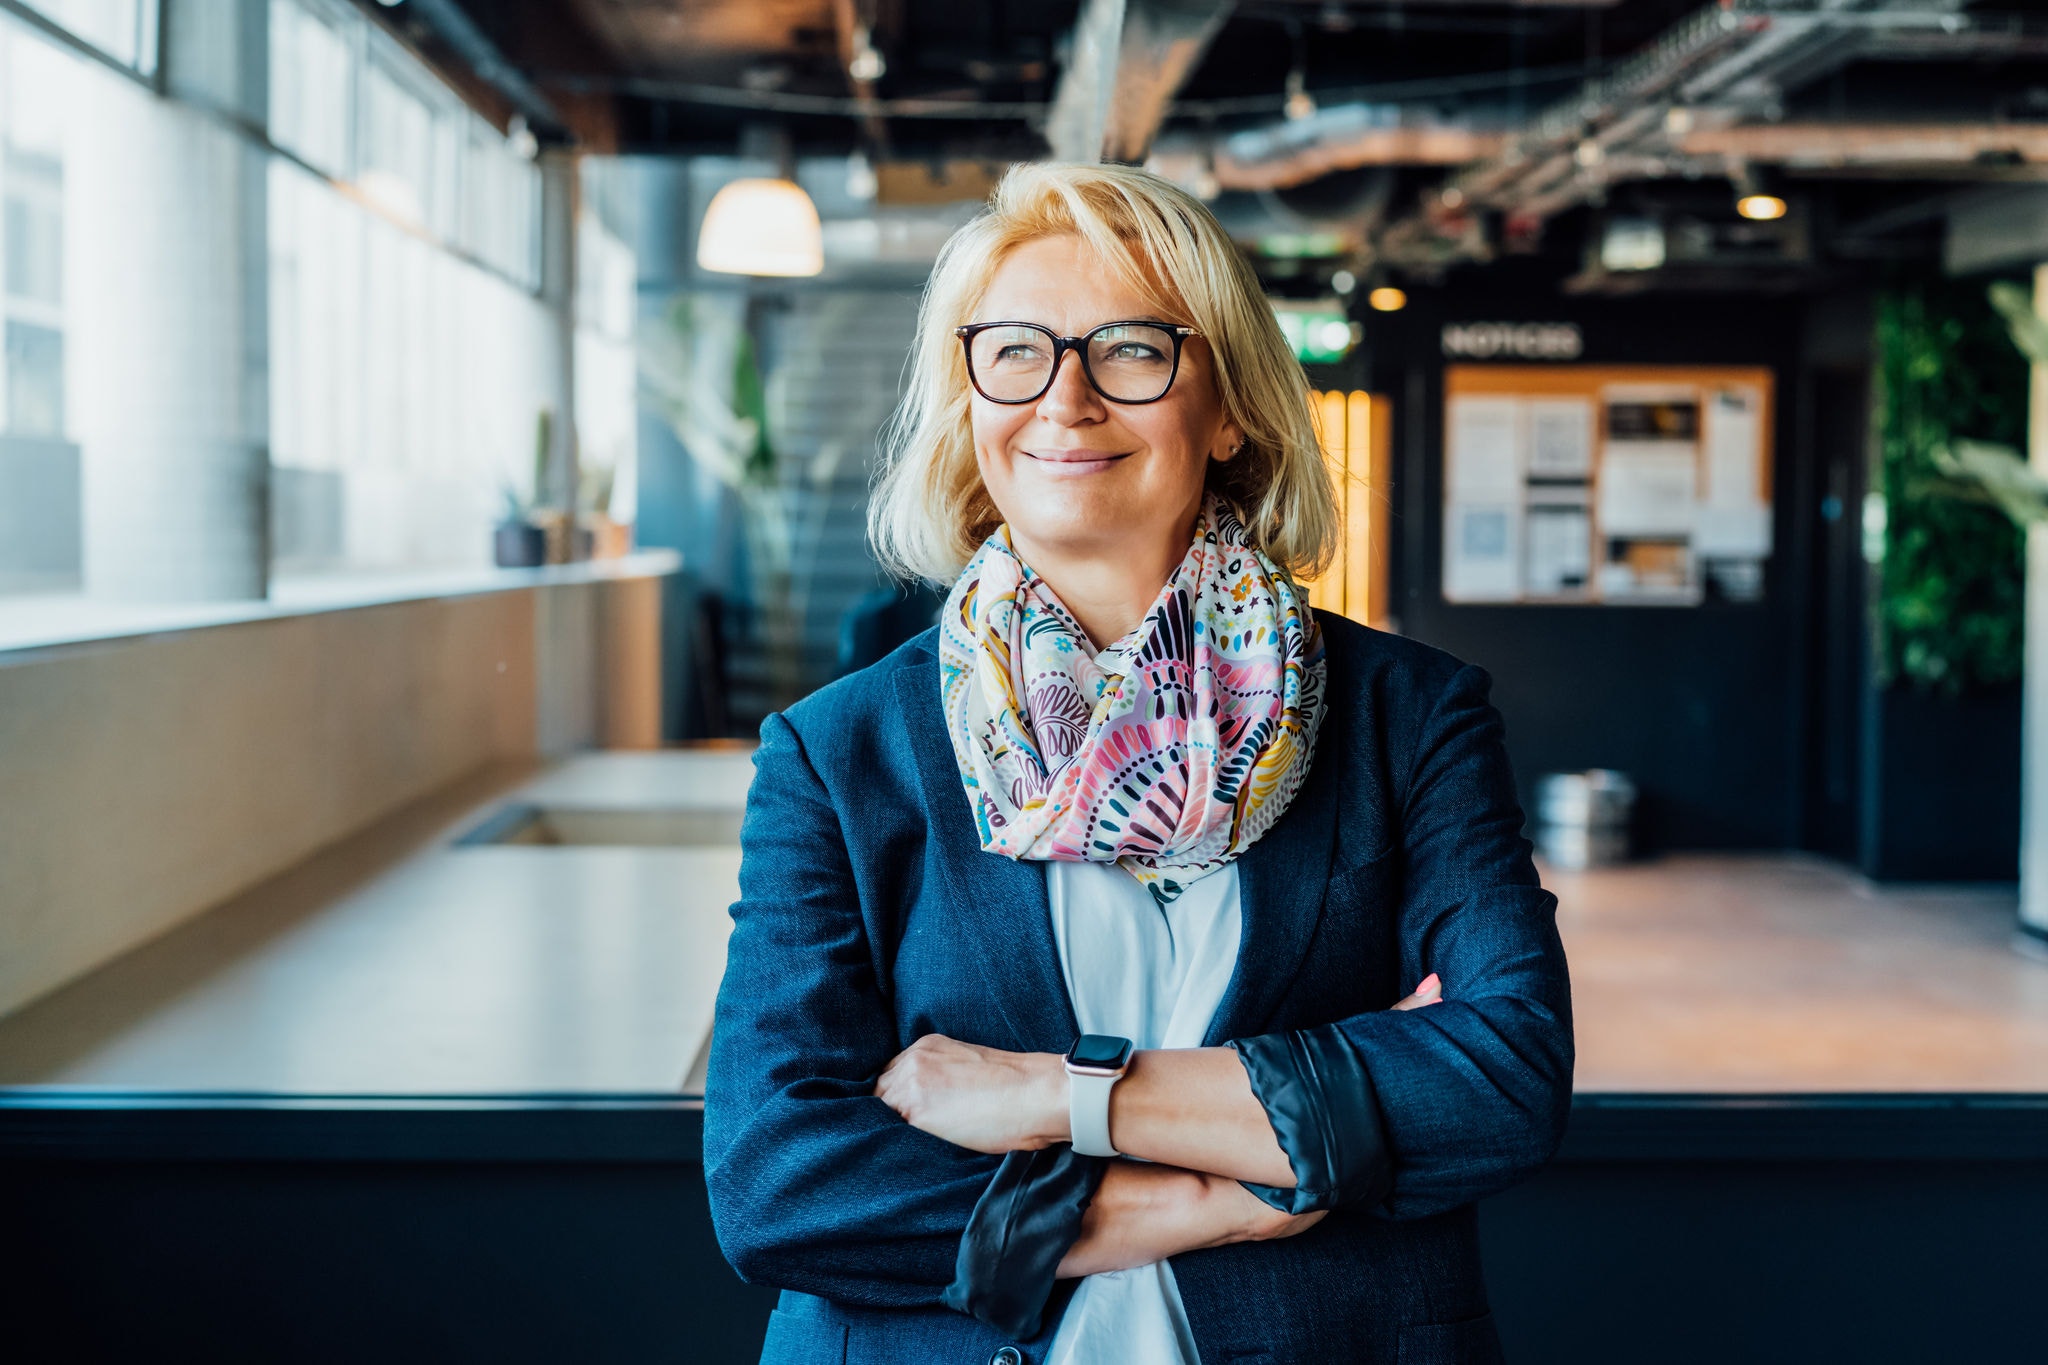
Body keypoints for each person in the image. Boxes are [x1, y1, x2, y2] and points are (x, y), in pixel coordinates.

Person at [704, 162, 1572, 1365]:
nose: (1064, 399)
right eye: (1015, 350)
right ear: (967, 399)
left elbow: (1503, 1077)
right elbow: (777, 1181)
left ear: (1227, 408)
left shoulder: (1406, 716)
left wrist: (1056, 1098)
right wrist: (1203, 1196)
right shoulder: (839, 750)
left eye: (1128, 349)